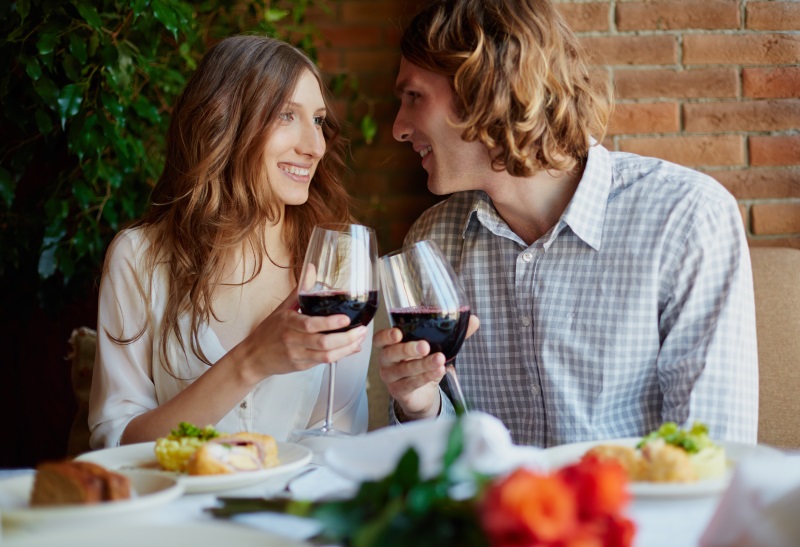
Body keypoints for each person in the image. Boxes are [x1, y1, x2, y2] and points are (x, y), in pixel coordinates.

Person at [375, 0, 758, 446]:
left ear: (484, 88)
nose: (399, 128)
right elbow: (444, 461)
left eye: (414, 96)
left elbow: (710, 451)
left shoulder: (686, 219)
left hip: (635, 513)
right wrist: (420, 406)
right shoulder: (432, 241)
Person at [89, 35, 372, 449]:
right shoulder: (139, 257)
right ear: (224, 123)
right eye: (286, 116)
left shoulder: (338, 265)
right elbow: (116, 444)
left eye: (317, 120)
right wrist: (251, 360)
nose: (315, 147)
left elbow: (343, 438)